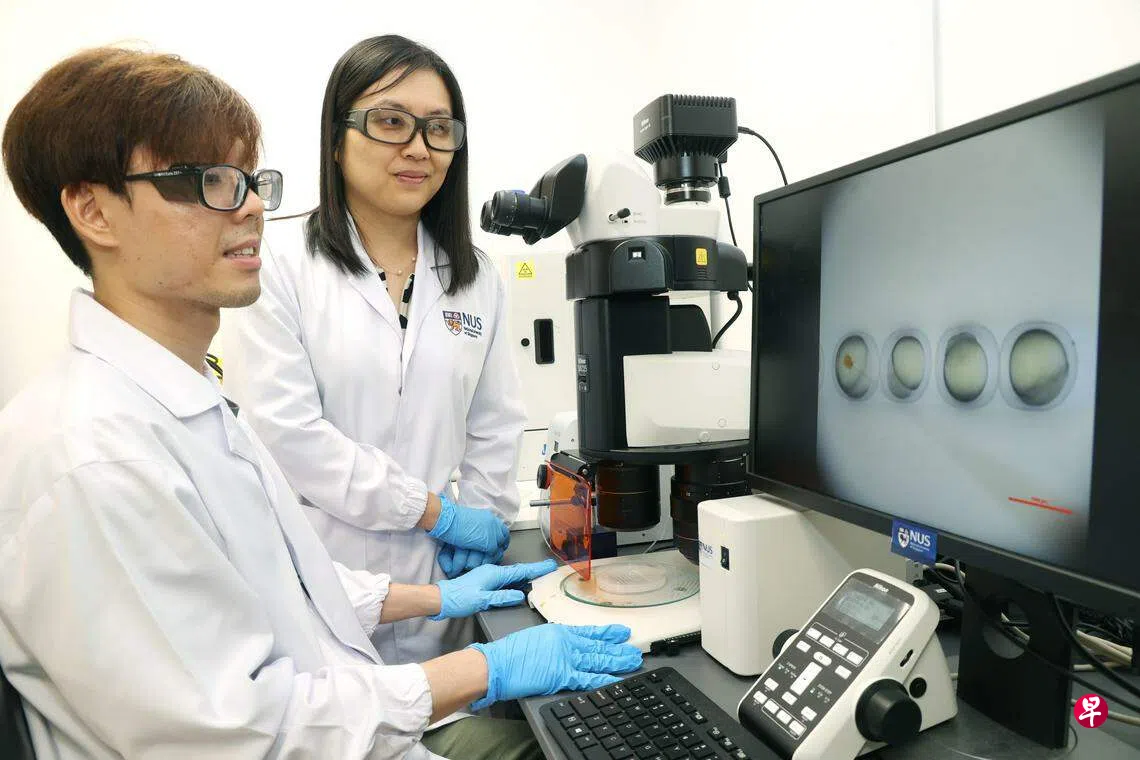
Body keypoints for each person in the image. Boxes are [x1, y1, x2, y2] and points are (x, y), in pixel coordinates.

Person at [0, 46, 641, 760]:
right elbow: (245, 733)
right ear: (94, 211)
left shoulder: (187, 409)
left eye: (248, 180)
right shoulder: (95, 458)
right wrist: (482, 659)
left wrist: (451, 581)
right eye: (208, 181)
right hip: (332, 716)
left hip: (356, 678)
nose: (250, 205)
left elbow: (284, 581)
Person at [223, 34, 527, 667]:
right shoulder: (278, 263)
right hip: (323, 586)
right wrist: (432, 512)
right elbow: (288, 433)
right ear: (337, 139)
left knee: (450, 710)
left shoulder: (476, 277)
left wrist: (478, 524)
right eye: (391, 122)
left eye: (438, 129)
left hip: (444, 592)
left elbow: (495, 424)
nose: (418, 148)